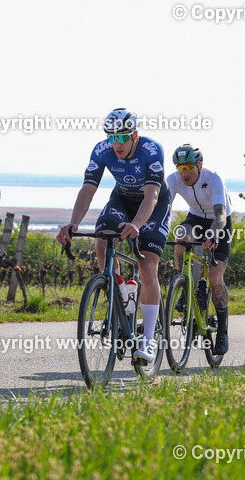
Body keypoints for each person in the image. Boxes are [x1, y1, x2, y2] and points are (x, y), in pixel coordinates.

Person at [56, 108, 171, 362]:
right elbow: (88, 189)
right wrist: (73, 223)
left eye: (122, 138)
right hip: (122, 200)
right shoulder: (102, 150)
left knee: (146, 265)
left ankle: (148, 340)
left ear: (135, 136)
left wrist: (137, 224)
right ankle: (121, 297)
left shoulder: (152, 150)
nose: (116, 144)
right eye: (111, 137)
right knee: (102, 243)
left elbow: (152, 195)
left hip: (153, 205)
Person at [166, 143, 233, 354]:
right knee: (180, 235)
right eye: (180, 168)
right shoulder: (173, 179)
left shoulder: (213, 179)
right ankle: (183, 284)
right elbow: (164, 208)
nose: (184, 173)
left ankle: (222, 331)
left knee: (215, 277)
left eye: (188, 167)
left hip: (219, 222)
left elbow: (220, 215)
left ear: (199, 165)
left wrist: (214, 233)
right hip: (195, 218)